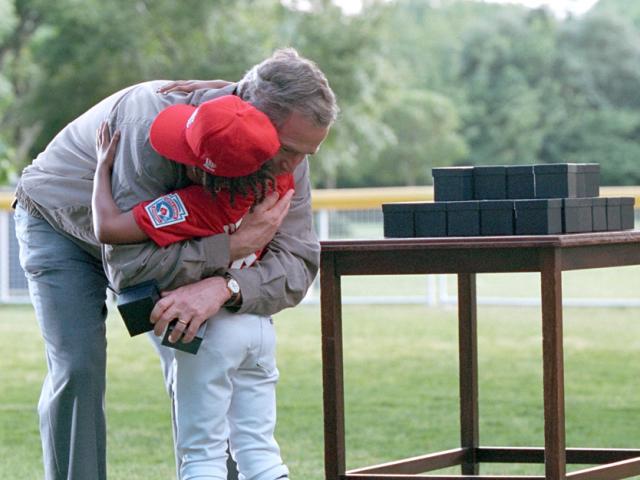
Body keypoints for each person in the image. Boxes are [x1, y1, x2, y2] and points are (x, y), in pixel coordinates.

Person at [13, 47, 338, 480]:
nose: (294, 168)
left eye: (305, 155)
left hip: (154, 240)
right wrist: (232, 248)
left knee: (198, 349)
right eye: (289, 152)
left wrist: (225, 287)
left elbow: (298, 261)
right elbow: (131, 268)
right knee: (79, 368)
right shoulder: (146, 127)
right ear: (255, 117)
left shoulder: (281, 152)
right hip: (59, 223)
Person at [92, 94, 295, 480]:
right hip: (255, 321)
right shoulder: (280, 184)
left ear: (204, 170)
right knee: (259, 451)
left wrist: (103, 169)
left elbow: (108, 228)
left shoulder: (194, 204)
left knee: (202, 455)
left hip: (209, 331)